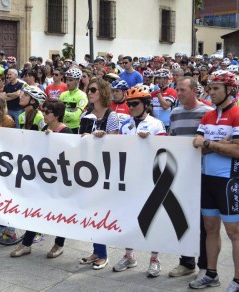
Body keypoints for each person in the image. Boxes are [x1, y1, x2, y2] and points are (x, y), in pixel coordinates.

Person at [190, 71, 239, 291]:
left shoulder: (237, 114)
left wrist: (210, 145)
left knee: (233, 232)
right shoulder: (208, 116)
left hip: (228, 180)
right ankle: (211, 273)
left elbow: (237, 151)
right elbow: (197, 144)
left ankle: (237, 280)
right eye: (210, 88)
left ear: (230, 90)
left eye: (217, 88)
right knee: (210, 228)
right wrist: (220, 145)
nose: (211, 92)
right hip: (206, 178)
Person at [113, 85, 166, 277]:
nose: (131, 107)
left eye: (135, 103)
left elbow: (164, 151)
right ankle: (129, 255)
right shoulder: (125, 125)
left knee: (152, 219)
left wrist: (151, 140)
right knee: (128, 218)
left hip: (150, 178)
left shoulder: (156, 124)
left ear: (145, 104)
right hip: (129, 178)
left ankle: (155, 259)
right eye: (129, 104)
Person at [168, 76, 212, 279]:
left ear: (195, 90)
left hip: (202, 174)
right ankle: (186, 262)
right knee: (182, 219)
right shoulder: (175, 113)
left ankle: (204, 264)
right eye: (177, 89)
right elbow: (171, 141)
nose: (179, 92)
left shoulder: (208, 112)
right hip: (181, 175)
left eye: (183, 89)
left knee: (205, 222)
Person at [78, 77, 118, 270]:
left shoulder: (111, 116)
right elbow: (79, 138)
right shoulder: (86, 114)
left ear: (103, 92)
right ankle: (96, 250)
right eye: (88, 90)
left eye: (93, 90)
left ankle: (103, 254)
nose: (89, 93)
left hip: (104, 169)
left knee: (101, 211)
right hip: (87, 167)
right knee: (91, 211)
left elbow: (115, 142)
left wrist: (101, 138)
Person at [10, 86, 47, 257]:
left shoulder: (39, 116)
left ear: (33, 100)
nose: (21, 96)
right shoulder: (23, 115)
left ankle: (37, 230)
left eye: (25, 95)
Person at [59, 68, 88, 133]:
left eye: (71, 80)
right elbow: (57, 113)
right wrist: (71, 112)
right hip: (62, 127)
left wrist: (62, 112)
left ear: (77, 81)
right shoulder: (63, 94)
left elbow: (75, 116)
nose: (68, 83)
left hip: (74, 128)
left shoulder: (82, 95)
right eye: (67, 80)